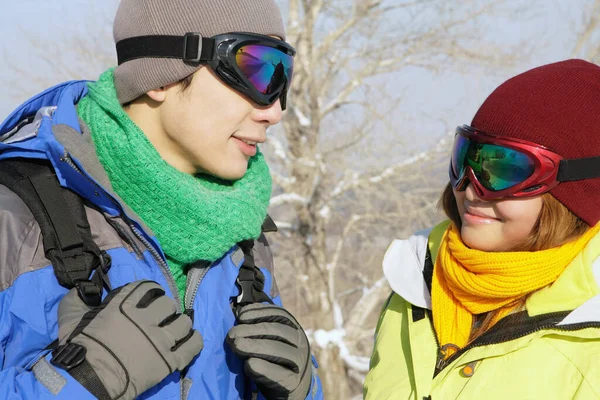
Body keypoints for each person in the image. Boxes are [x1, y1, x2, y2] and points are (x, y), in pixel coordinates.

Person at [0, 0, 323, 399]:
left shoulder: (245, 238)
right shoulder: (15, 219)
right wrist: (83, 381)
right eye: (256, 68)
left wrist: (304, 389)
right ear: (160, 75)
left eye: (281, 75)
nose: (274, 110)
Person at [364, 59, 600, 399]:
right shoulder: (415, 287)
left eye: (503, 171)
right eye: (467, 159)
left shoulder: (587, 332)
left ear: (574, 192)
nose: (471, 188)